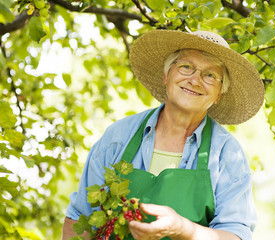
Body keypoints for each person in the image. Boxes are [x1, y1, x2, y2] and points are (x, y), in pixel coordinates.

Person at [62, 30, 264, 240]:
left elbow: (235, 235)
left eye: (210, 75)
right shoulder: (119, 136)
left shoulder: (227, 154)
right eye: (186, 67)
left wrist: (183, 229)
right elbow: (79, 218)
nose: (195, 80)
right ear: (166, 76)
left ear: (218, 95)